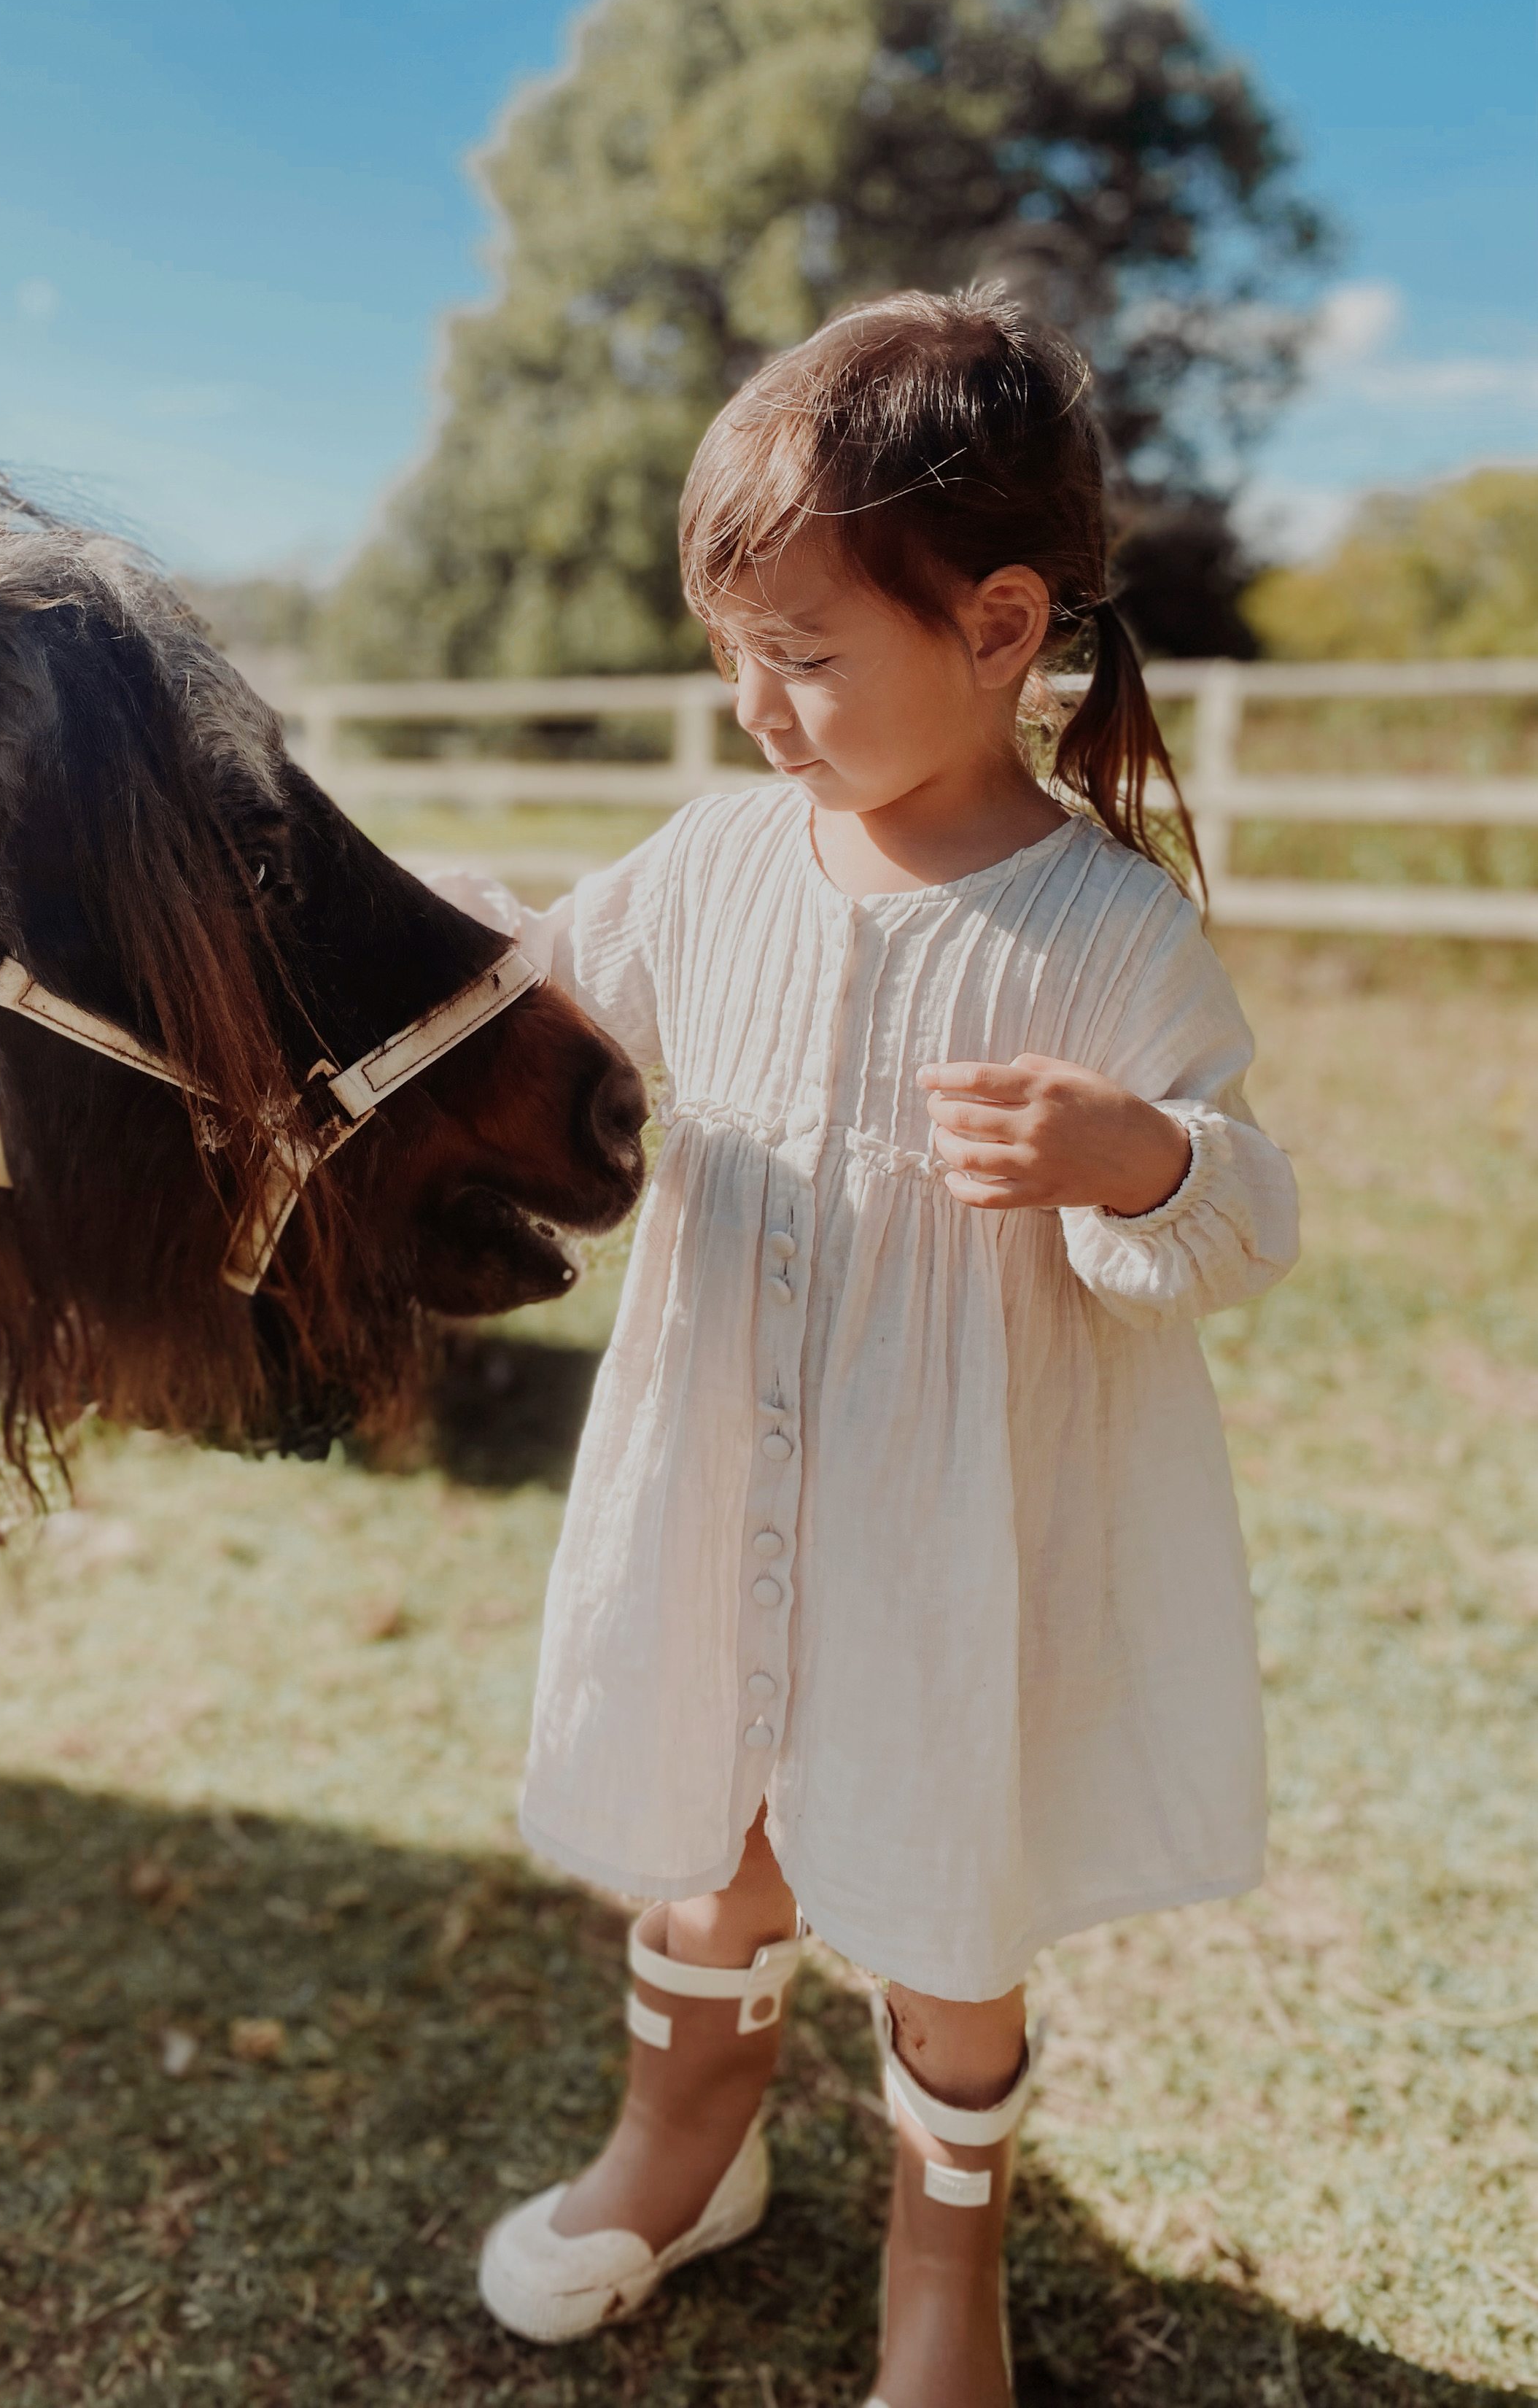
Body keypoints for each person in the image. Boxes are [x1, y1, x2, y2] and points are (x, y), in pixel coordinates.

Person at [431, 286, 1300, 2408]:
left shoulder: (1106, 929)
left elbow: (1243, 1217)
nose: (755, 702)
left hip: (945, 1546)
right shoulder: (715, 862)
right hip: (717, 1479)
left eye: (806, 654)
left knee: (937, 1911)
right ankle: (677, 2146)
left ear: (1000, 625)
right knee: (707, 1850)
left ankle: (942, 2277)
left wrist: (1133, 1163)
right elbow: (528, 1004)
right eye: (734, 649)